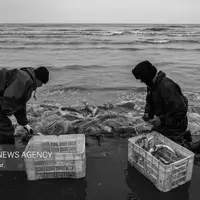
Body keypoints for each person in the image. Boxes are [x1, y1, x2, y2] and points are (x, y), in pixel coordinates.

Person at [132, 60, 200, 154]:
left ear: (147, 77)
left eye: (141, 79)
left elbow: (181, 111)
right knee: (150, 137)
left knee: (178, 151)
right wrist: (148, 113)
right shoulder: (151, 85)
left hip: (176, 125)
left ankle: (186, 140)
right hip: (165, 122)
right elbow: (150, 101)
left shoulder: (167, 87)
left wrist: (161, 119)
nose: (141, 81)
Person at [0, 66, 49, 145]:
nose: (41, 85)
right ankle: (9, 153)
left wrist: (24, 123)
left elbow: (20, 103)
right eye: (42, 83)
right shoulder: (24, 80)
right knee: (6, 128)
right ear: (38, 79)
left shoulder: (28, 81)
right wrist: (9, 113)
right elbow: (8, 100)